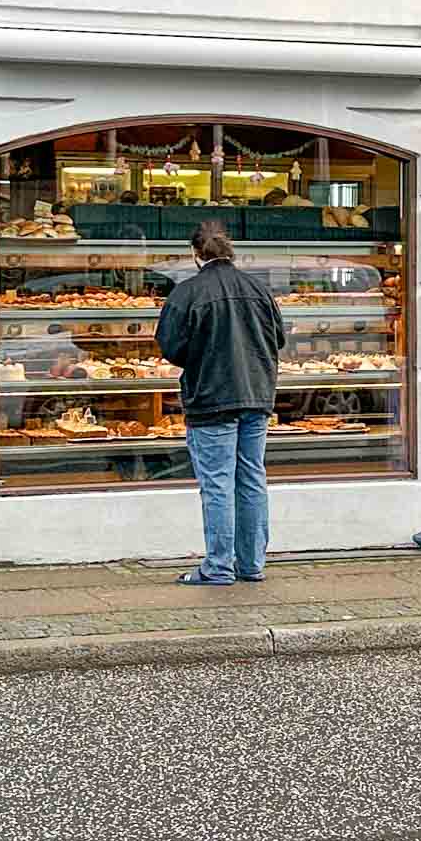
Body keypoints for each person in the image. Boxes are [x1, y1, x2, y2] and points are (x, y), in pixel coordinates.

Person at [155, 222, 286, 585]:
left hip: (211, 397)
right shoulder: (259, 289)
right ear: (231, 251)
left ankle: (218, 566)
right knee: (251, 479)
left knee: (217, 484)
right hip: (257, 395)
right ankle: (251, 564)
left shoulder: (187, 292)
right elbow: (278, 338)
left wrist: (201, 357)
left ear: (196, 255)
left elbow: (170, 346)